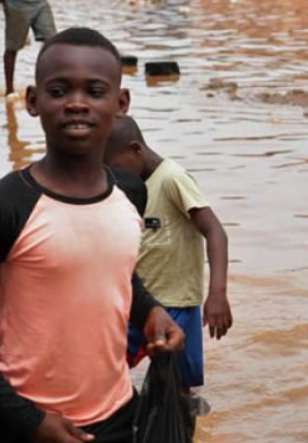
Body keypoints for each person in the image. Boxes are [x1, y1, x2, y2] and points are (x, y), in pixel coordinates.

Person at [0, 27, 184, 443]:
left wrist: (151, 311)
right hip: (27, 422)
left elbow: (116, 274)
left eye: (95, 91)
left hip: (120, 414)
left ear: (120, 104)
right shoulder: (10, 204)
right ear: (33, 101)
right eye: (60, 90)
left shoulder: (130, 193)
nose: (77, 104)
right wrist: (29, 422)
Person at [104, 117, 232, 402]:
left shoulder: (172, 178)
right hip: (140, 305)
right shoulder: (127, 187)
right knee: (105, 368)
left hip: (179, 305)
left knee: (184, 389)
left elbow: (216, 232)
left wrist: (218, 293)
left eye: (116, 169)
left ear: (136, 149)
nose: (114, 178)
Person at [2, 0, 57, 96]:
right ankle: (9, 90)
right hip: (17, 5)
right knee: (13, 47)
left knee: (51, 42)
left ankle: (43, 83)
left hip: (40, 3)